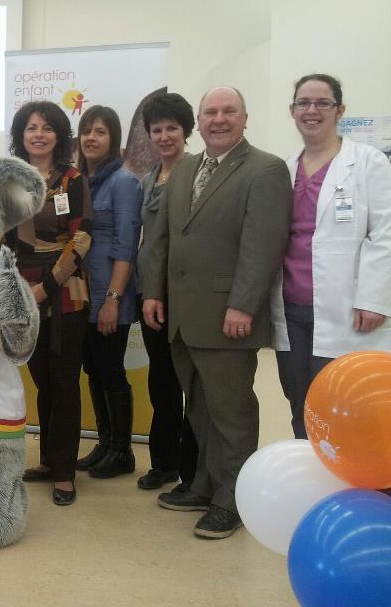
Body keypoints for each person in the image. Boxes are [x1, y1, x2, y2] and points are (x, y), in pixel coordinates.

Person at [142, 86, 292, 539]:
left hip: (229, 315)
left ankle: (234, 500)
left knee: (231, 413)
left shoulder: (265, 169)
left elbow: (262, 247)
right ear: (200, 120)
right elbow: (163, 238)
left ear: (245, 118)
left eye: (229, 111)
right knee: (200, 410)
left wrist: (243, 305)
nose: (219, 119)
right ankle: (205, 485)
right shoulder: (186, 168)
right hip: (183, 315)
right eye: (211, 112)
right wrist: (154, 292)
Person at [270, 74, 391, 438]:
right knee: (300, 403)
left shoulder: (368, 163)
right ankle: (307, 470)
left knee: (345, 407)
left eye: (323, 103)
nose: (312, 110)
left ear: (340, 110)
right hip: (291, 308)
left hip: (347, 308)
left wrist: (373, 299)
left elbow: (385, 233)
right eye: (303, 103)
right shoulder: (283, 168)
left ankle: (350, 474)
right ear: (292, 110)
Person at [5, 101, 93, 506]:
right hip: (22, 288)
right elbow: (3, 236)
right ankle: (47, 460)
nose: (38, 134)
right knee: (41, 378)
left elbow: (82, 238)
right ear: (20, 135)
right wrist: (15, 288)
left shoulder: (72, 179)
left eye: (46, 128)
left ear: (59, 135)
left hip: (67, 290)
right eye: (31, 127)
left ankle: (65, 473)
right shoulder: (10, 179)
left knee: (65, 381)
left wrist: (47, 287)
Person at [74, 105, 143, 481]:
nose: (91, 138)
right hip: (82, 295)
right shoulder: (82, 180)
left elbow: (126, 245)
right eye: (86, 131)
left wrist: (113, 300)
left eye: (100, 132)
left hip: (109, 295)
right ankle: (104, 443)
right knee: (93, 369)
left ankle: (122, 451)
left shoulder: (123, 182)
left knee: (111, 370)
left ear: (113, 139)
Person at [135, 93, 198, 491]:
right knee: (161, 380)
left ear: (186, 130)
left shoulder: (197, 173)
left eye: (172, 128)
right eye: (156, 129)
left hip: (184, 293)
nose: (164, 136)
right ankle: (164, 462)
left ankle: (192, 470)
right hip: (150, 292)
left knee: (189, 382)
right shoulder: (148, 178)